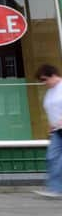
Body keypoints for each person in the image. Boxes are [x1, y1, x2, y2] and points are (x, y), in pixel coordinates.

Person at [34, 64, 62, 198]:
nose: (44, 83)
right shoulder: (50, 91)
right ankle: (55, 188)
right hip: (57, 131)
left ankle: (55, 189)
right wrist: (51, 126)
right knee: (51, 158)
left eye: (45, 79)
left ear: (53, 75)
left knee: (59, 161)